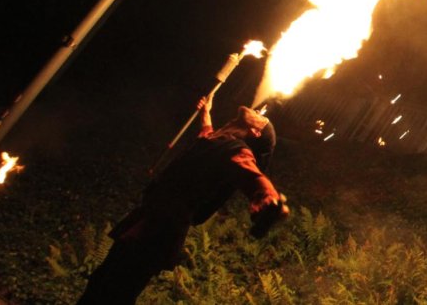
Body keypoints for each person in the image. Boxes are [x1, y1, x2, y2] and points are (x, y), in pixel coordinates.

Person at [77, 94, 289, 304]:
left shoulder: (238, 151)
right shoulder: (218, 140)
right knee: (100, 282)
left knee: (115, 292)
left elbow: (253, 176)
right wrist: (206, 111)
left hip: (159, 230)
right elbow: (206, 133)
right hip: (149, 217)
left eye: (262, 116)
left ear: (255, 131)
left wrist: (268, 196)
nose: (259, 109)